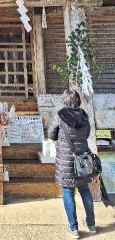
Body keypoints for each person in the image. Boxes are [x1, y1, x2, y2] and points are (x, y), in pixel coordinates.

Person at [48, 89, 96, 239]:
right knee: (85, 190)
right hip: (82, 159)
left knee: (68, 191)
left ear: (65, 100)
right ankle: (91, 224)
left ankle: (74, 228)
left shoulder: (60, 115)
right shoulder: (84, 115)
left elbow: (51, 134)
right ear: (78, 100)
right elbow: (87, 134)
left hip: (66, 160)